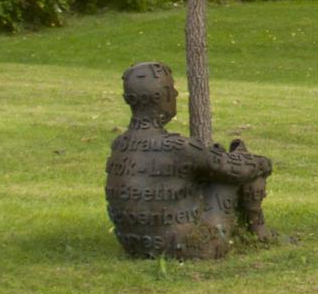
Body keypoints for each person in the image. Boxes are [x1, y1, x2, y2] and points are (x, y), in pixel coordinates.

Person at [104, 62, 274, 260]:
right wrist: (261, 162)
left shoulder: (120, 144)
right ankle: (259, 232)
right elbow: (237, 169)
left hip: (135, 245)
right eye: (172, 89)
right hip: (191, 247)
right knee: (242, 169)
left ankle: (257, 231)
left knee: (220, 169)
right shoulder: (179, 147)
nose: (176, 95)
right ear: (163, 96)